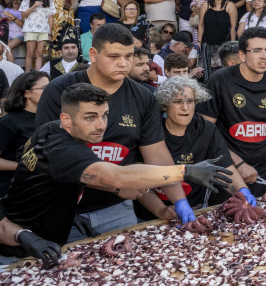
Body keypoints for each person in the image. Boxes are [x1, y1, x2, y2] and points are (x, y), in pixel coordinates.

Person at [3, 83, 232, 256]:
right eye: (90, 117)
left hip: (47, 239)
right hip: (18, 249)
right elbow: (117, 175)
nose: (101, 125)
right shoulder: (65, 148)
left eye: (104, 115)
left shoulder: (50, 129)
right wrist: (186, 171)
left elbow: (46, 175)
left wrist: (67, 210)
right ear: (66, 119)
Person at [35, 24, 194, 241]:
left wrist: (179, 201)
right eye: (114, 56)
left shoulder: (143, 96)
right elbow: (56, 160)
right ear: (93, 54)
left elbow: (156, 154)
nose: (123, 63)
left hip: (117, 211)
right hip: (63, 207)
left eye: (128, 56)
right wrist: (118, 188)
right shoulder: (59, 91)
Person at [136, 76, 253, 220]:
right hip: (150, 214)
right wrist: (160, 210)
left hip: (195, 210)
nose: (185, 107)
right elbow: (137, 176)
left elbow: (225, 168)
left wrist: (242, 192)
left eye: (190, 101)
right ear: (164, 104)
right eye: (177, 101)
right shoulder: (151, 129)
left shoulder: (206, 129)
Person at [197, 27, 266, 196]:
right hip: (229, 171)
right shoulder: (220, 80)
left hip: (265, 171)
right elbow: (206, 131)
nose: (264, 56)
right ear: (242, 55)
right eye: (256, 51)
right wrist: (238, 164)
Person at [0, 72, 49, 197]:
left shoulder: (51, 118)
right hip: (13, 192)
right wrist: (26, 167)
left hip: (42, 190)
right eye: (44, 88)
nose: (49, 91)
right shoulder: (9, 122)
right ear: (27, 93)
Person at [18, 0, 56, 71]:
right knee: (30, 53)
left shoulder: (49, 0)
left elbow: (50, 18)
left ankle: (38, 74)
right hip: (30, 29)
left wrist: (50, 33)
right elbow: (23, 16)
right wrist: (34, 6)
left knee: (40, 53)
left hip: (43, 30)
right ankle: (27, 74)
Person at [197, 0, 237, 71]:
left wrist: (232, 43)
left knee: (223, 70)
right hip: (207, 43)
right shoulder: (206, 4)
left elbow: (233, 26)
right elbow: (201, 24)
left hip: (224, 44)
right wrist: (199, 41)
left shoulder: (229, 5)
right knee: (207, 69)